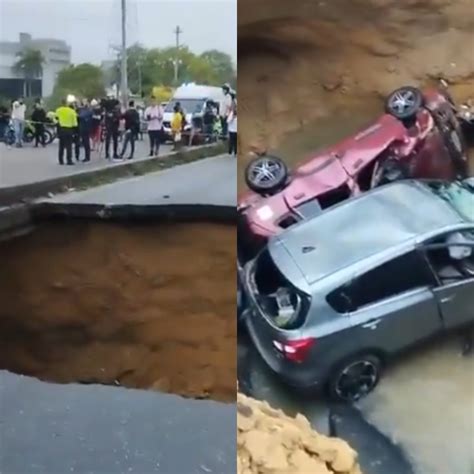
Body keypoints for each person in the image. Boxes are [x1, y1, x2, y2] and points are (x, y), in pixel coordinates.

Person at [55, 99, 78, 165]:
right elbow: (75, 123)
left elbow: (56, 118)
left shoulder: (58, 110)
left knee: (61, 145)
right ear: (67, 104)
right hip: (69, 129)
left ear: (61, 103)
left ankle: (61, 160)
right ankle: (69, 160)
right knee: (69, 146)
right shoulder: (72, 111)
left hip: (61, 129)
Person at [102, 95, 121, 159]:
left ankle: (107, 153)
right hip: (114, 126)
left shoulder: (107, 112)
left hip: (108, 125)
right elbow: (118, 117)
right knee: (114, 139)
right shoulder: (116, 111)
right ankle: (114, 153)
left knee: (108, 139)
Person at [227, 92, 237, 156]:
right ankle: (233, 152)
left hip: (233, 130)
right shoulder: (233, 114)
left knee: (232, 141)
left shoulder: (232, 114)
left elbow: (228, 121)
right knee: (234, 141)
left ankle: (233, 151)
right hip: (234, 130)